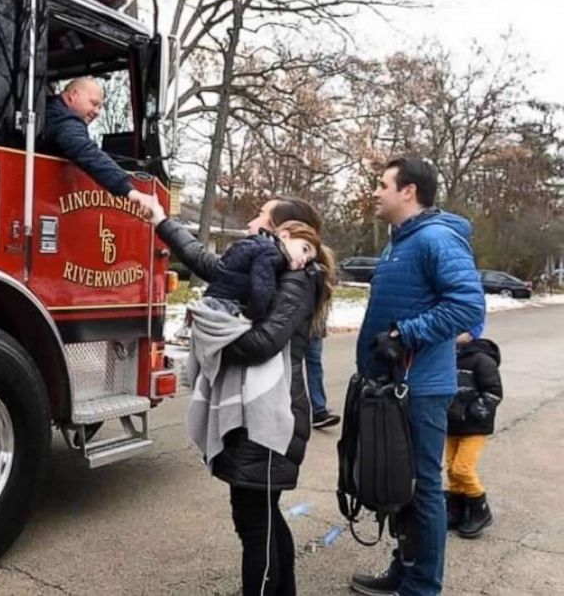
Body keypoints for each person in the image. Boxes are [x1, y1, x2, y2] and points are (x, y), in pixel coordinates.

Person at [149, 195, 334, 596]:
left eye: (260, 218)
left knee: (254, 523)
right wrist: (162, 220)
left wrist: (209, 336)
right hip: (256, 415)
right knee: (261, 517)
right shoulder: (268, 267)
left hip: (269, 419)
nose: (251, 224)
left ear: (282, 231)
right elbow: (208, 262)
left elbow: (263, 343)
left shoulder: (298, 278)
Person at [350, 155, 485, 596]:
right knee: (400, 485)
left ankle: (422, 587)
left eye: (382, 184)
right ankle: (403, 571)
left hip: (421, 388)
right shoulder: (400, 240)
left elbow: (468, 307)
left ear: (409, 191)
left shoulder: (436, 239)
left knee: (423, 489)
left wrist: (406, 333)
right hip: (393, 387)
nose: (375, 191)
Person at [44, 78, 157, 215]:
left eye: (100, 107)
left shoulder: (49, 110)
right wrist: (130, 191)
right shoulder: (63, 120)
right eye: (94, 103)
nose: (97, 112)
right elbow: (85, 151)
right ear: (73, 95)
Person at [446, 322, 501, 539]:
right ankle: (457, 508)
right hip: (451, 424)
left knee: (462, 468)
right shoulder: (447, 357)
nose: (454, 335)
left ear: (471, 334)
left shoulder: (482, 360)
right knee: (451, 469)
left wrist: (474, 412)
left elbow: (494, 392)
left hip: (474, 426)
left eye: (458, 331)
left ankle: (480, 508)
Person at [306, 324, 340, 429]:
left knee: (314, 362)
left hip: (314, 320)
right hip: (291, 318)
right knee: (292, 364)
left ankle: (319, 410)